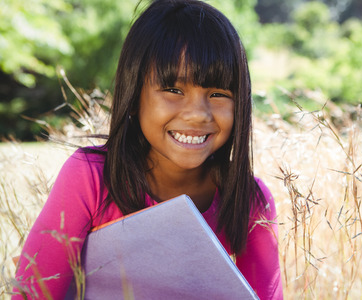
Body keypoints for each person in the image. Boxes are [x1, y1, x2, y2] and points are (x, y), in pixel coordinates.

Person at [13, 0, 283, 299]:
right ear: (133, 95)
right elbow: (32, 293)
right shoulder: (90, 177)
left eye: (218, 93)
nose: (197, 114)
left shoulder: (250, 200)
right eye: (173, 90)